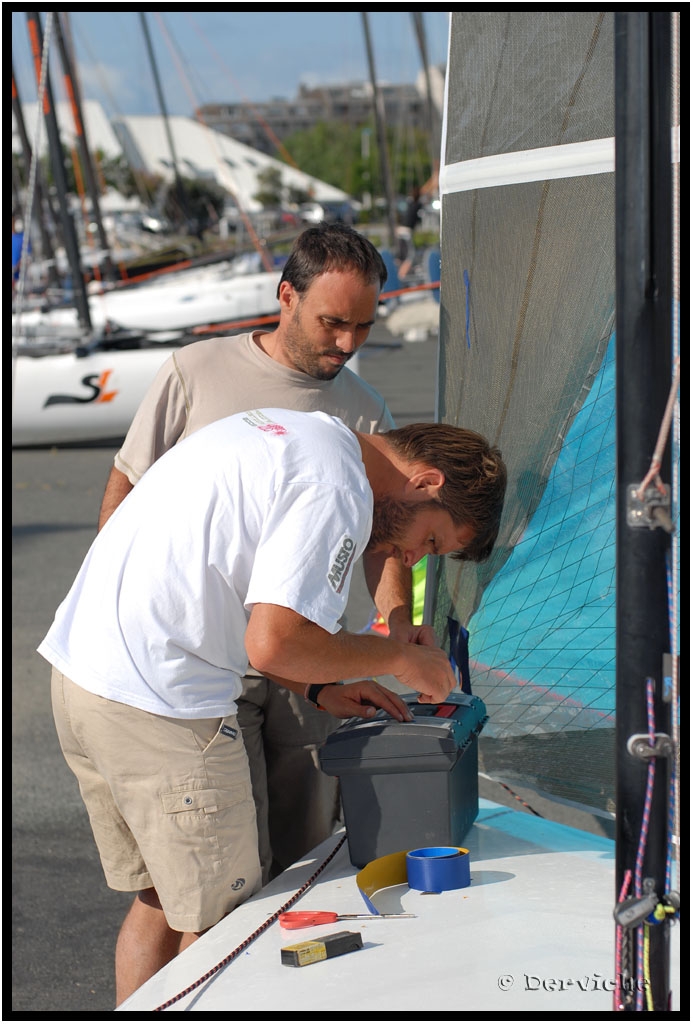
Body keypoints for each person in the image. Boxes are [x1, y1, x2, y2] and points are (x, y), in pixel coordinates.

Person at [39, 407, 507, 1003]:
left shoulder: (297, 434)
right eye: (431, 540)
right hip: (164, 708)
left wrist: (317, 688)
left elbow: (230, 599)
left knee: (162, 900)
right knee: (223, 932)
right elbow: (275, 640)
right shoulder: (335, 485)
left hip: (86, 682)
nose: (412, 558)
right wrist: (399, 659)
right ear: (427, 481)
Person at [97, 222, 430, 886]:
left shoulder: (362, 407)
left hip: (303, 652)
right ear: (285, 295)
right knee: (209, 874)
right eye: (332, 322)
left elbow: (381, 539)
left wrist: (395, 622)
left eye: (363, 327)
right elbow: (128, 486)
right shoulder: (196, 370)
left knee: (304, 851)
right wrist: (113, 609)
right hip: (196, 657)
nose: (347, 343)